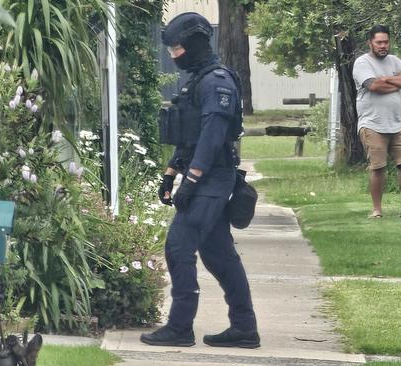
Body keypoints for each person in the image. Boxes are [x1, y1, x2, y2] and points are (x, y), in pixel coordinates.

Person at [140, 12, 260, 349]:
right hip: (205, 177)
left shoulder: (216, 82)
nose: (174, 55)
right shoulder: (198, 80)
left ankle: (179, 327)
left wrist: (191, 181)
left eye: (177, 47)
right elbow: (190, 136)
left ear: (192, 45)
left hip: (213, 179)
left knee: (179, 246)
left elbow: (212, 136)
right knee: (219, 254)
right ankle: (245, 328)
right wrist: (170, 173)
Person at [352, 25, 401, 219]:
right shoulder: (362, 63)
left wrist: (387, 79)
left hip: (397, 123)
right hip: (372, 124)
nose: (383, 46)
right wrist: (394, 82)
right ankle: (377, 209)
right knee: (378, 167)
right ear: (370, 43)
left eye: (386, 42)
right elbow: (374, 86)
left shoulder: (394, 60)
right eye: (379, 42)